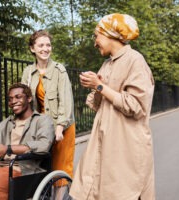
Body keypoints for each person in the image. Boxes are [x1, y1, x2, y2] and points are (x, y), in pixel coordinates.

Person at [69, 13, 155, 200]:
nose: (95, 42)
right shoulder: (106, 65)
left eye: (96, 36)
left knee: (123, 192)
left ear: (110, 34)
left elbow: (135, 106)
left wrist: (100, 86)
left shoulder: (135, 60)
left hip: (125, 147)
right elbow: (96, 104)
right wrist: (96, 87)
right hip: (104, 143)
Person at [21, 30, 75, 191]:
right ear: (32, 49)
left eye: (48, 45)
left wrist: (59, 127)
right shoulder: (28, 73)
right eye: (41, 45)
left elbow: (65, 100)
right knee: (38, 166)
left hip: (62, 126)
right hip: (42, 127)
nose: (45, 48)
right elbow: (24, 102)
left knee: (60, 169)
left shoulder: (59, 70)